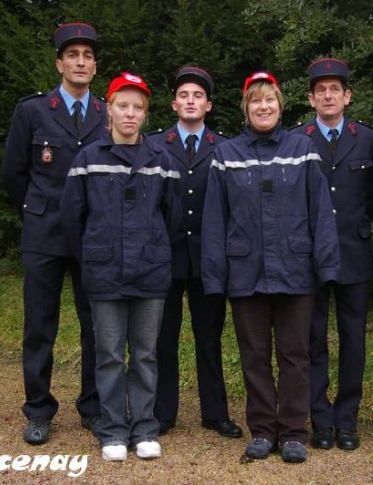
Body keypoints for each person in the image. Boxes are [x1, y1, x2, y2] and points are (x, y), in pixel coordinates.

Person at [201, 71, 340, 464]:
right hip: (246, 273)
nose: (264, 107)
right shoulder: (226, 155)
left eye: (270, 100)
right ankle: (263, 430)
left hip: (296, 273)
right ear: (246, 108)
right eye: (256, 101)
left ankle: (294, 432)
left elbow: (321, 214)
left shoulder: (303, 148)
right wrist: (215, 274)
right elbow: (214, 220)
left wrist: (326, 267)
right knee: (254, 355)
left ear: (280, 106)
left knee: (296, 355)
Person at [61, 72, 182, 462]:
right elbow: (72, 218)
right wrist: (96, 254)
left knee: (146, 354)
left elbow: (173, 217)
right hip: (104, 273)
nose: (130, 114)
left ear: (145, 114)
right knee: (110, 353)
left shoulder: (162, 161)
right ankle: (112, 428)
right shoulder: (88, 159)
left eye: (138, 107)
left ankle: (144, 427)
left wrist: (153, 248)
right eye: (122, 106)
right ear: (108, 109)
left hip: (150, 273)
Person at [1, 22, 106, 445]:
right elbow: (14, 174)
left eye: (88, 56)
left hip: (93, 235)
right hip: (44, 233)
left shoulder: (105, 113)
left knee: (97, 325)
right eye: (73, 55)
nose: (80, 62)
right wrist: (39, 210)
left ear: (95, 66)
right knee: (40, 325)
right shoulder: (32, 111)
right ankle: (39, 409)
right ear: (59, 62)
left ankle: (93, 408)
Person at [150, 66, 242, 439]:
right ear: (174, 103)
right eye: (184, 95)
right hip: (166, 257)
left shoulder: (224, 147)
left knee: (209, 336)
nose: (191, 101)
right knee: (163, 337)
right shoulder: (156, 145)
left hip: (208, 258)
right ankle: (162, 413)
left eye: (198, 96)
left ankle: (215, 412)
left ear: (209, 105)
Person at [292, 58, 373, 452]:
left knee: (352, 338)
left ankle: (347, 420)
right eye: (320, 90)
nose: (328, 96)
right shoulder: (297, 140)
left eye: (335, 89)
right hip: (310, 255)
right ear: (311, 98)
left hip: (354, 252)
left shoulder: (369, 139)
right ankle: (320, 420)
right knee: (313, 339)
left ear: (347, 96)